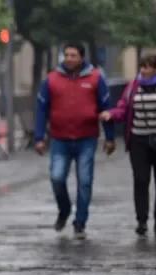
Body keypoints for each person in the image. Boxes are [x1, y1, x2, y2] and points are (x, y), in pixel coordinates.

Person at [100, 54, 156, 238]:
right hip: (138, 141)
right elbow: (123, 108)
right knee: (141, 180)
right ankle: (141, 221)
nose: (143, 70)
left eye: (147, 67)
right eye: (141, 67)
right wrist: (111, 114)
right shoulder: (133, 87)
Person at [34, 42, 116, 239]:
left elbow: (106, 108)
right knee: (56, 177)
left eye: (73, 55)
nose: (69, 59)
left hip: (86, 139)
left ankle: (80, 222)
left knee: (85, 181)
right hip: (60, 140)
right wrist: (39, 137)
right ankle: (64, 209)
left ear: (82, 57)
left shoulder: (95, 78)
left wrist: (110, 138)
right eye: (66, 55)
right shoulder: (51, 79)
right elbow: (41, 109)